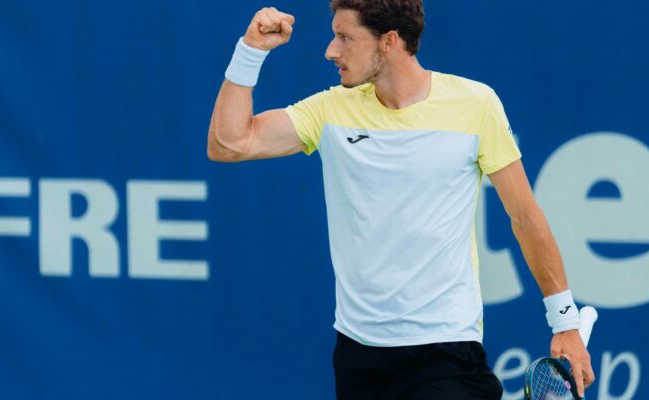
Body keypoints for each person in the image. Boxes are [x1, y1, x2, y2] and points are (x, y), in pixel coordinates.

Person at [208, 1, 595, 398]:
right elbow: (229, 143)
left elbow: (524, 215)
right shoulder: (327, 111)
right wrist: (250, 50)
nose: (331, 50)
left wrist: (563, 320)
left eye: (345, 37)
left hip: (445, 348)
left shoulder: (475, 104)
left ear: (389, 41)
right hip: (359, 356)